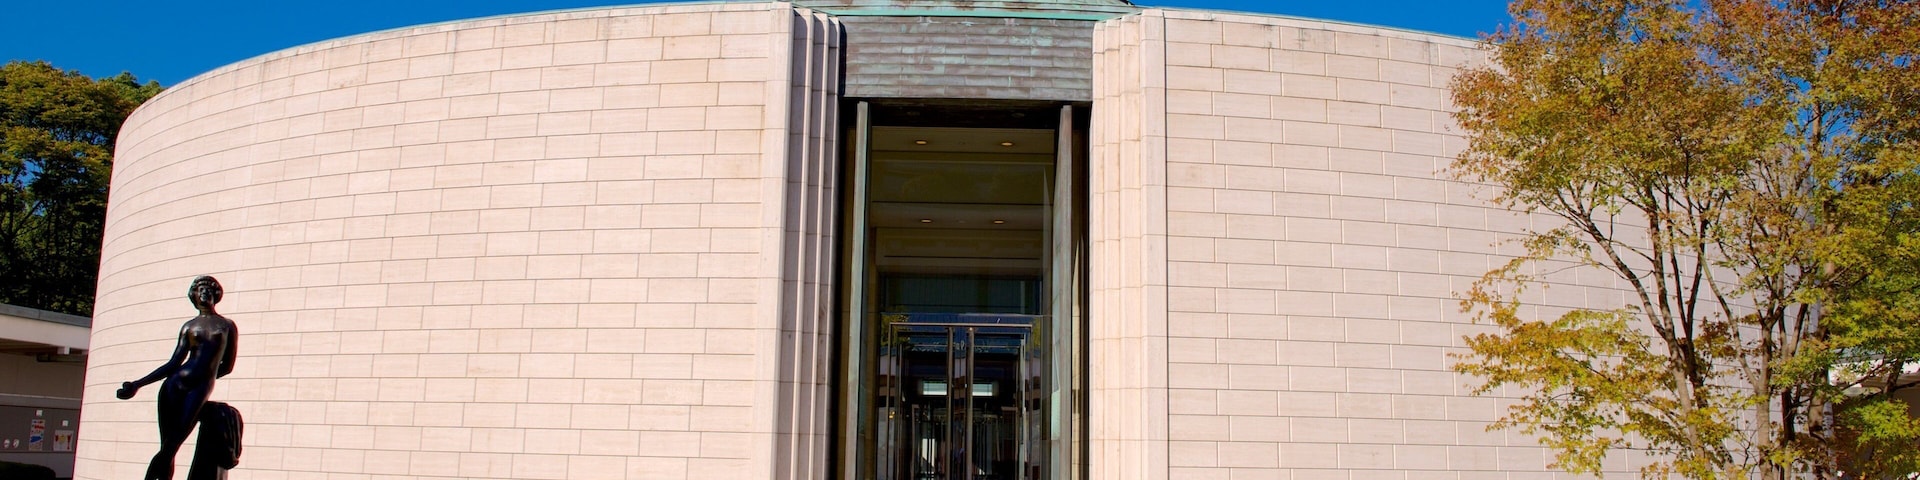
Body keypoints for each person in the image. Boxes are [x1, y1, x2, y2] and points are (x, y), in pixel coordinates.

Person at [117, 276, 239, 480]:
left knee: (172, 444)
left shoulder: (227, 325)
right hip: (175, 385)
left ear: (216, 295)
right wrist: (138, 384)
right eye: (200, 290)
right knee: (167, 446)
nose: (204, 294)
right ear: (194, 295)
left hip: (200, 387)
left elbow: (227, 366)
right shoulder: (189, 326)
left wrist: (206, 376)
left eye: (208, 290)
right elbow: (173, 363)